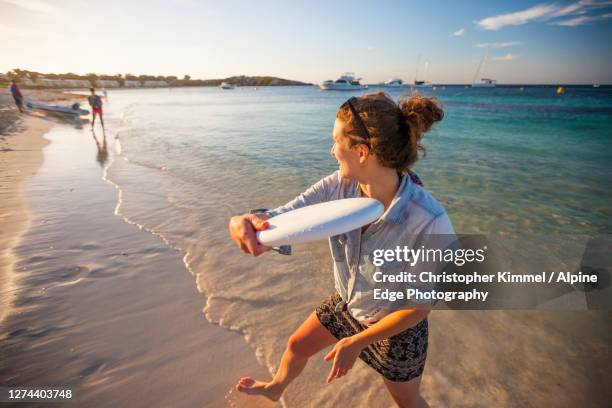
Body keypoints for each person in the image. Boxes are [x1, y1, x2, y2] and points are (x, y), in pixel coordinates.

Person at [228, 92, 454, 407]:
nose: (332, 150)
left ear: (361, 152)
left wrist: (357, 342)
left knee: (407, 401)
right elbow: (281, 218)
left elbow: (419, 307)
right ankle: (276, 387)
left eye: (337, 142)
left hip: (398, 328)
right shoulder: (338, 187)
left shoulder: (428, 221)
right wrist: (243, 222)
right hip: (351, 302)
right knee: (297, 345)